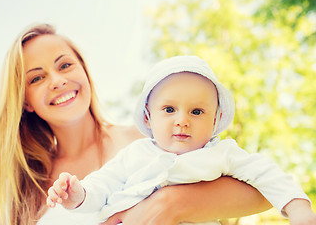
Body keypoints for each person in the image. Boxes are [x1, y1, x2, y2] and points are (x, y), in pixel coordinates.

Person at [0, 24, 272, 225]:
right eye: (37, 78)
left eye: (64, 65)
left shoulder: (149, 141)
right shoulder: (26, 187)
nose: (57, 80)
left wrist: (168, 204)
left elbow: (264, 191)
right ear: (24, 100)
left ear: (84, 71)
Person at [47, 56, 316, 225]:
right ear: (148, 117)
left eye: (197, 112)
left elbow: (266, 174)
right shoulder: (136, 153)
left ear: (215, 120)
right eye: (169, 109)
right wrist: (76, 195)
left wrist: (299, 208)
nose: (182, 120)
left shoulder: (222, 153)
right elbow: (101, 187)